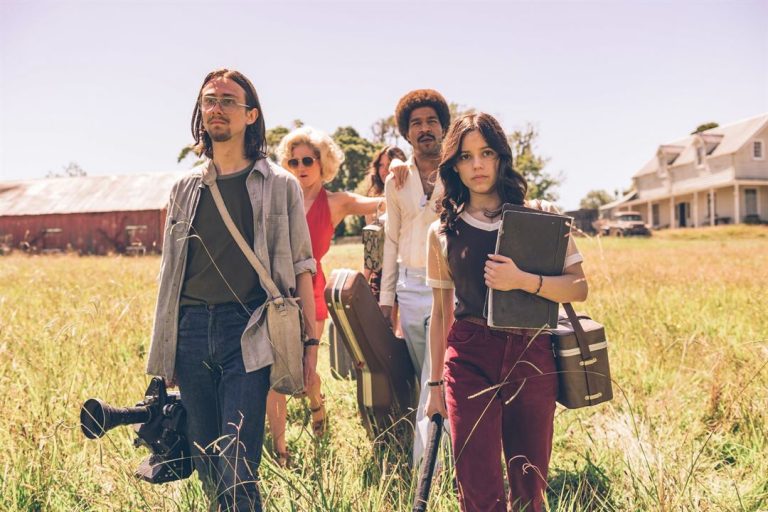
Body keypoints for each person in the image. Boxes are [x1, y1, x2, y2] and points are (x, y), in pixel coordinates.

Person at [145, 68, 318, 511]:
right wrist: (164, 351)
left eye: (227, 100)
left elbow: (302, 265)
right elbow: (170, 277)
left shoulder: (280, 185)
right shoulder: (184, 189)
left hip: (250, 329)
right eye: (209, 100)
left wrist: (310, 343)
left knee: (238, 461)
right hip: (190, 331)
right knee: (205, 460)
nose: (216, 108)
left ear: (250, 115)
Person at [425, 112, 588, 512]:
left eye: (486, 153)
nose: (477, 165)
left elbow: (578, 287)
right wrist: (433, 388)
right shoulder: (441, 231)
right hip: (469, 356)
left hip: (531, 353)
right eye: (465, 157)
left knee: (528, 489)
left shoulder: (539, 216)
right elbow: (441, 314)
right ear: (453, 165)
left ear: (502, 158)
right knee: (477, 489)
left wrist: (522, 280)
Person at [267, 126, 383, 463]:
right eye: (293, 161)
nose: (300, 167)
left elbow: (383, 204)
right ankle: (280, 450)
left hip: (311, 292)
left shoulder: (335, 202)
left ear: (322, 164)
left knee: (305, 373)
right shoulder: (277, 200)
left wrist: (408, 181)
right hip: (275, 291)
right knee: (276, 374)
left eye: (308, 160)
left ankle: (316, 404)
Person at [379, 89, 451, 464]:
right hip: (408, 289)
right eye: (416, 124)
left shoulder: (459, 172)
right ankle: (439, 461)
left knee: (437, 379)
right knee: (428, 378)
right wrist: (386, 303)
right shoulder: (398, 179)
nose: (425, 130)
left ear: (444, 127)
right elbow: (390, 240)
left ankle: (428, 471)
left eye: (431, 122)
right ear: (407, 133)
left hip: (448, 288)